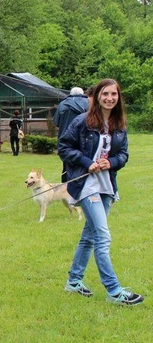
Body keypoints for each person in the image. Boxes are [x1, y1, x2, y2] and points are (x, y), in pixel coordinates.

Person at [58, 78, 144, 306]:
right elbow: (64, 147)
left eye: (113, 94)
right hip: (87, 185)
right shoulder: (82, 121)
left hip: (107, 186)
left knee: (89, 236)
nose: (109, 98)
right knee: (102, 238)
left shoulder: (119, 125)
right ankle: (114, 291)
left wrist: (112, 161)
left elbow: (124, 154)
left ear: (118, 97)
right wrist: (87, 162)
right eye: (105, 94)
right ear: (96, 97)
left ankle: (74, 281)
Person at [54, 87, 89, 182]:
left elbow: (56, 122)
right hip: (83, 139)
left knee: (66, 165)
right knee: (84, 163)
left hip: (65, 140)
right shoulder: (88, 103)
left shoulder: (62, 104)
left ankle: (66, 187)